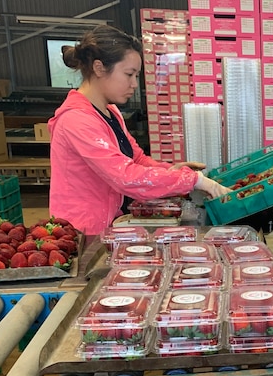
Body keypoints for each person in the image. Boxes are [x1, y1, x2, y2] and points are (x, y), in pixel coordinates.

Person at [49, 25, 230, 235]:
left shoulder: (110, 112)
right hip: (84, 234)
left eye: (137, 76)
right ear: (99, 68)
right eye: (129, 74)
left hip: (110, 225)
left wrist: (169, 170)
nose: (135, 84)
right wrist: (193, 180)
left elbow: (137, 160)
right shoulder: (76, 120)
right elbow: (126, 177)